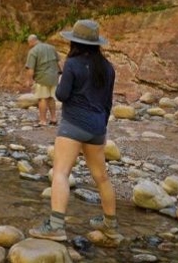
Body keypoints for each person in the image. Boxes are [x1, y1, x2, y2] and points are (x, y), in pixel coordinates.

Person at [29, 19, 123, 246]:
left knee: (60, 172)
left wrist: (62, 79)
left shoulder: (72, 64)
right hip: (98, 127)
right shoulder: (107, 67)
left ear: (75, 42)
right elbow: (108, 102)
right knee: (102, 177)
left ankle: (56, 227)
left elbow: (61, 95)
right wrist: (101, 126)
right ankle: (110, 227)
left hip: (73, 125)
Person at [25, 34, 62, 127]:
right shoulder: (51, 48)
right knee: (51, 97)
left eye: (28, 43)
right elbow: (59, 62)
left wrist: (29, 80)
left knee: (42, 99)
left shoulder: (33, 51)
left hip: (42, 78)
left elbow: (30, 69)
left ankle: (43, 120)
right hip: (54, 77)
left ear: (31, 41)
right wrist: (61, 72)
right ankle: (54, 118)